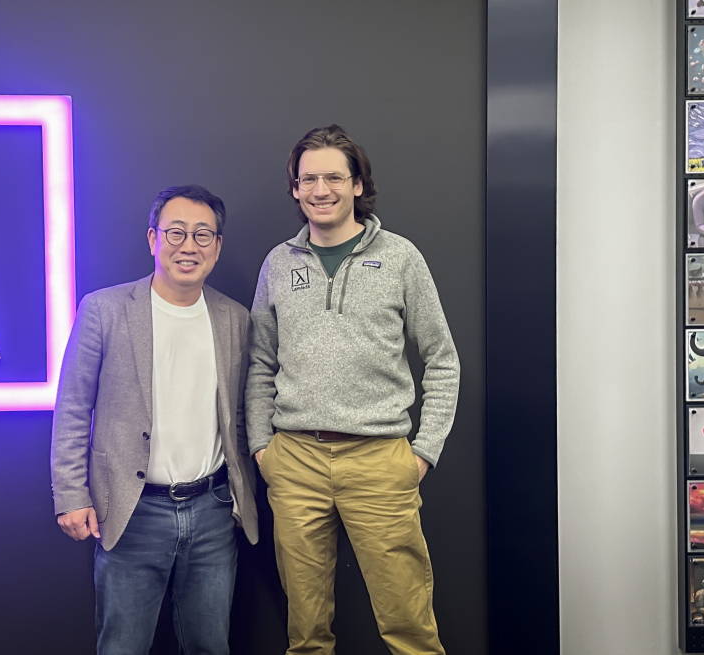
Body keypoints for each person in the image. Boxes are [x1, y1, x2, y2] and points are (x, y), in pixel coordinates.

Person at [246, 125, 460, 655]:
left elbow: (442, 359)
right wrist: (261, 449)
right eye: (308, 178)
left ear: (358, 184)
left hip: (379, 461)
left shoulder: (400, 257)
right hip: (294, 460)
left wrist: (423, 453)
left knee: (409, 625)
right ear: (295, 189)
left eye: (334, 177)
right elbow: (258, 363)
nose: (321, 189)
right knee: (306, 633)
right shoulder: (278, 263)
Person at [51, 185, 258, 655]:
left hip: (212, 512)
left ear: (218, 246)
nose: (190, 246)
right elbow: (73, 408)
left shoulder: (236, 319)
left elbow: (242, 415)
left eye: (203, 235)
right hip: (129, 512)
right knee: (122, 646)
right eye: (177, 233)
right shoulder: (104, 311)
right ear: (152, 239)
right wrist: (70, 495)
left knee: (210, 645)